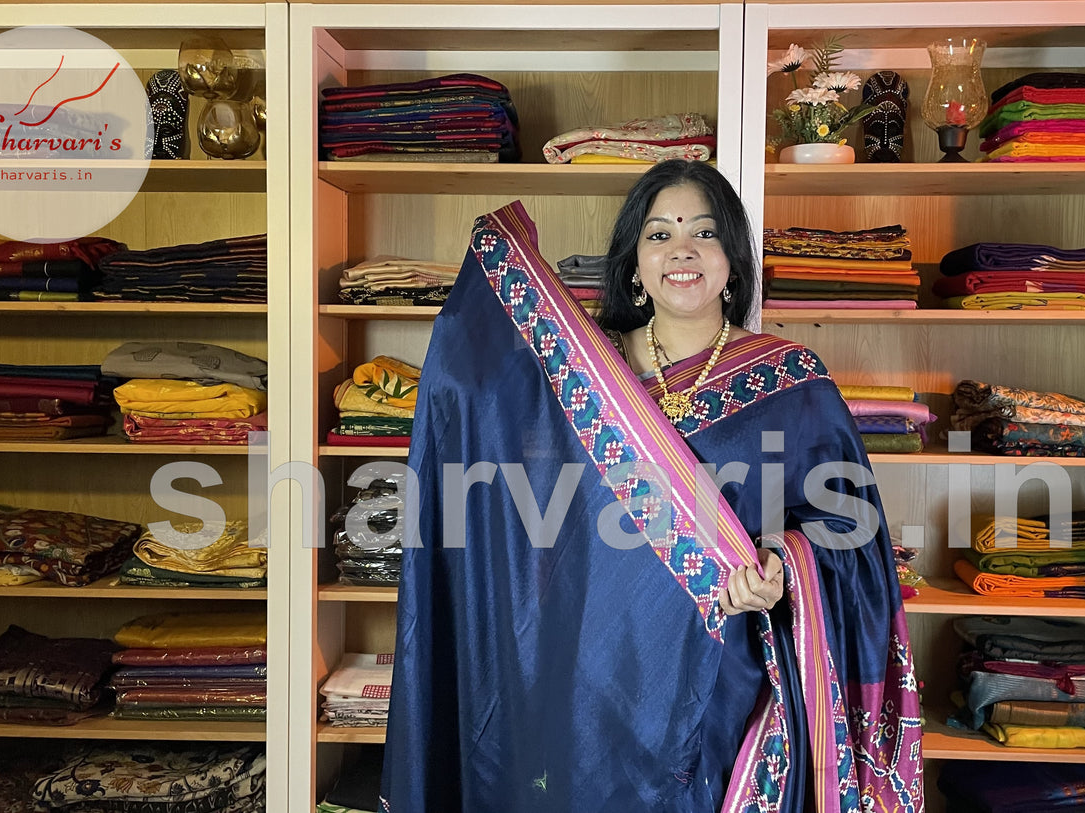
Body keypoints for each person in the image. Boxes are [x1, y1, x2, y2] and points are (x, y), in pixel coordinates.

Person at [381, 160, 923, 813]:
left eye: (704, 231)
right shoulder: (580, 371)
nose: (681, 250)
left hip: (719, 670)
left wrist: (783, 563)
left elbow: (849, 527)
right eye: (658, 234)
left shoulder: (792, 378)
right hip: (583, 659)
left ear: (731, 257)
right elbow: (495, 451)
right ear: (633, 263)